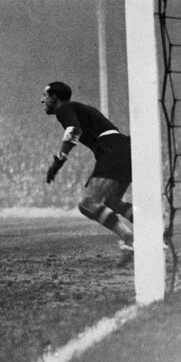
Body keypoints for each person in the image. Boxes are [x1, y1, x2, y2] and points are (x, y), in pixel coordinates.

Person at [41, 81, 135, 266]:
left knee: (87, 203)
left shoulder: (64, 108)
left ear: (54, 97)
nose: (41, 100)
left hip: (112, 149)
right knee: (111, 201)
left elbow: (74, 130)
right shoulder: (77, 108)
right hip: (123, 147)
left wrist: (59, 160)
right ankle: (154, 229)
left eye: (44, 95)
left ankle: (128, 238)